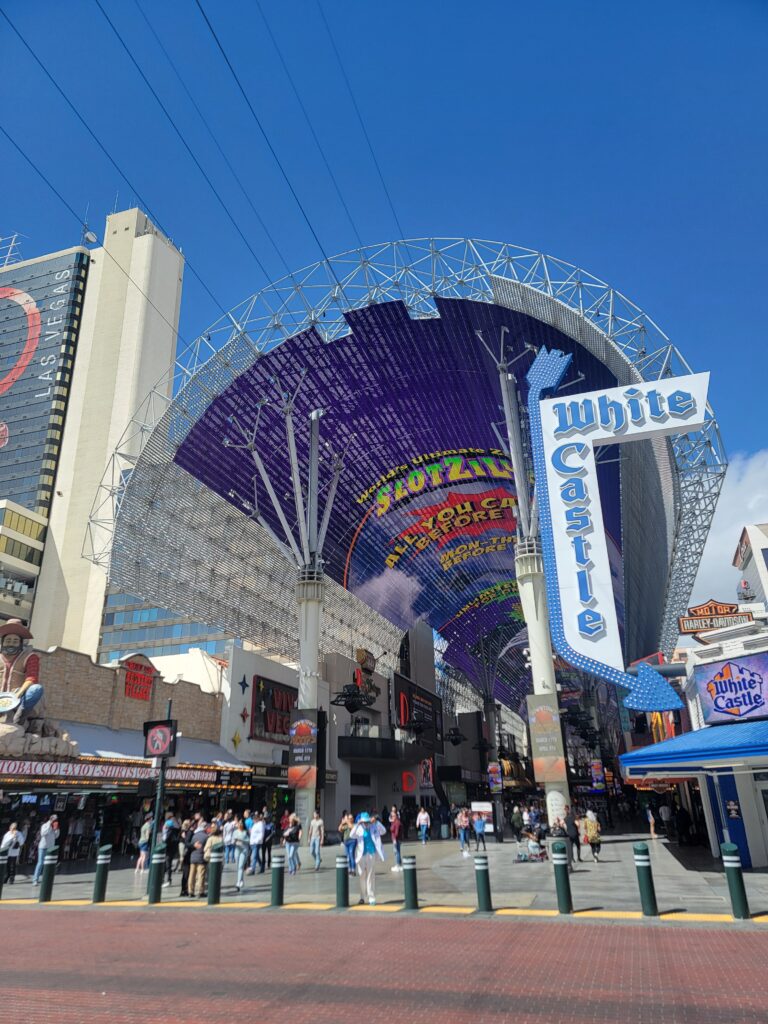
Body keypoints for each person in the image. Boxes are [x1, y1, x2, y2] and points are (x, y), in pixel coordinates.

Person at [0, 619, 45, 729]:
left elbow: (32, 678)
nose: (11, 643)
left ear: (21, 642)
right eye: (8, 640)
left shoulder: (30, 657)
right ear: (2, 641)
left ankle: (19, 720)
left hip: (17, 695)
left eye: (15, 641)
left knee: (36, 689)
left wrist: (17, 695)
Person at [350, 811, 386, 905]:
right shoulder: (358, 828)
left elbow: (384, 831)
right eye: (364, 822)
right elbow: (351, 835)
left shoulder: (373, 826)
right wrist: (357, 824)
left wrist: (377, 822)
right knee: (362, 875)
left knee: (370, 876)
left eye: (367, 821)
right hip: (361, 855)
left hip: (371, 854)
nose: (366, 823)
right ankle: (362, 897)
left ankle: (371, 897)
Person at [32, 814, 58, 884]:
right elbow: (43, 833)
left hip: (50, 847)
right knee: (40, 863)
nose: (55, 821)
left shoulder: (55, 826)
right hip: (43, 846)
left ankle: (45, 878)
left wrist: (56, 829)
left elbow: (56, 836)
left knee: (48, 864)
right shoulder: (45, 825)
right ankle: (35, 879)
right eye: (54, 820)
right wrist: (49, 825)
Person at [188, 820, 209, 898]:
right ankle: (200, 891)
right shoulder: (206, 836)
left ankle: (191, 891)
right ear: (205, 828)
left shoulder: (194, 835)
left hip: (193, 857)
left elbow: (191, 844)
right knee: (201, 875)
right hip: (201, 857)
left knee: (192, 875)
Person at [161, 811, 180, 887]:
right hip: (173, 849)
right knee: (167, 864)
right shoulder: (176, 829)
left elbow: (166, 839)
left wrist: (164, 832)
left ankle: (167, 879)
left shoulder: (170, 830)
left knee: (167, 864)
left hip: (168, 849)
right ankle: (167, 879)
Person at [232, 817, 249, 891]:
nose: (240, 824)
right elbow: (232, 841)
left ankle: (238, 882)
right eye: (239, 823)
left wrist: (241, 840)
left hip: (244, 850)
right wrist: (234, 841)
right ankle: (241, 880)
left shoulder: (246, 832)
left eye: (241, 823)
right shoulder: (235, 832)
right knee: (238, 865)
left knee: (241, 866)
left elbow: (249, 840)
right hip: (237, 849)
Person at [178, 820, 193, 897]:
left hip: (186, 855)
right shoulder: (184, 832)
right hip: (186, 855)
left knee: (186, 873)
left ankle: (184, 889)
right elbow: (184, 842)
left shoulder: (185, 832)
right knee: (186, 873)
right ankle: (184, 890)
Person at [340, 811, 356, 876]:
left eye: (351, 818)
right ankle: (349, 869)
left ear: (353, 819)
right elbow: (339, 829)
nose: (350, 819)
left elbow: (351, 827)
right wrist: (342, 823)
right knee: (347, 856)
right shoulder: (346, 825)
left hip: (352, 841)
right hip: (346, 842)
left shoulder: (354, 824)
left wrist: (347, 821)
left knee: (351, 855)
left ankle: (353, 870)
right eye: (349, 818)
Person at [389, 807, 403, 871]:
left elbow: (396, 832)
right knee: (398, 852)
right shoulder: (394, 822)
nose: (392, 817)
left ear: (396, 816)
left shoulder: (396, 822)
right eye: (391, 816)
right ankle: (399, 864)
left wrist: (394, 839)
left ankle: (397, 865)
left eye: (393, 816)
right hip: (396, 839)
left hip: (396, 839)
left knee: (397, 852)